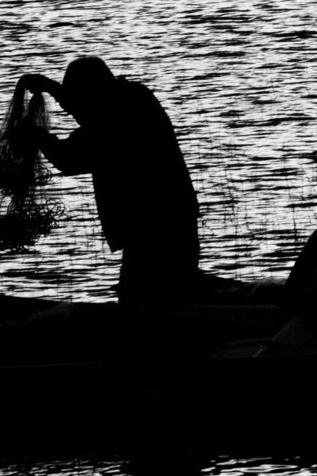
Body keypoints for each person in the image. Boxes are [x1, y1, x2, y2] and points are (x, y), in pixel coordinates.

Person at [15, 56, 201, 301]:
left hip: (154, 232)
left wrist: (37, 136)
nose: (67, 109)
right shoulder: (132, 97)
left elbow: (69, 159)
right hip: (171, 223)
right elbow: (88, 107)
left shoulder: (112, 122)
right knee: (166, 298)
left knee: (143, 302)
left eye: (74, 98)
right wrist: (50, 87)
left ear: (91, 92)